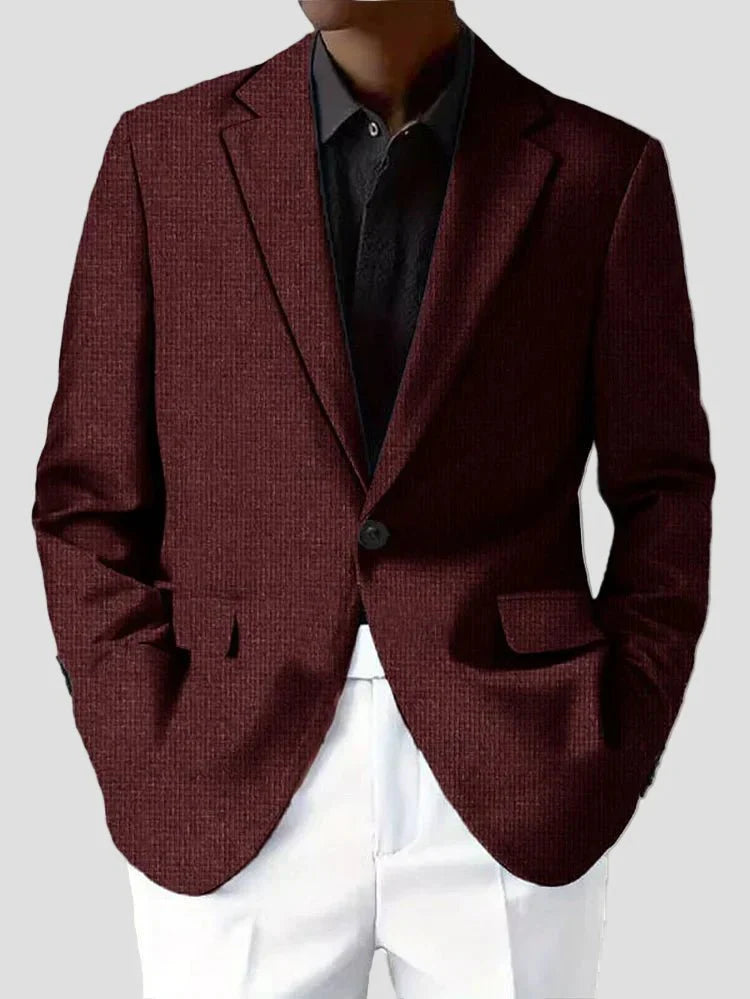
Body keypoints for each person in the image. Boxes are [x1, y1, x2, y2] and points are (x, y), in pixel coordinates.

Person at [31, 1, 714, 996]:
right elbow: (87, 496)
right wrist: (139, 738)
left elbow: (665, 491)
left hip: (514, 766)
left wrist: (613, 736)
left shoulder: (602, 171)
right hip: (222, 766)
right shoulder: (163, 154)